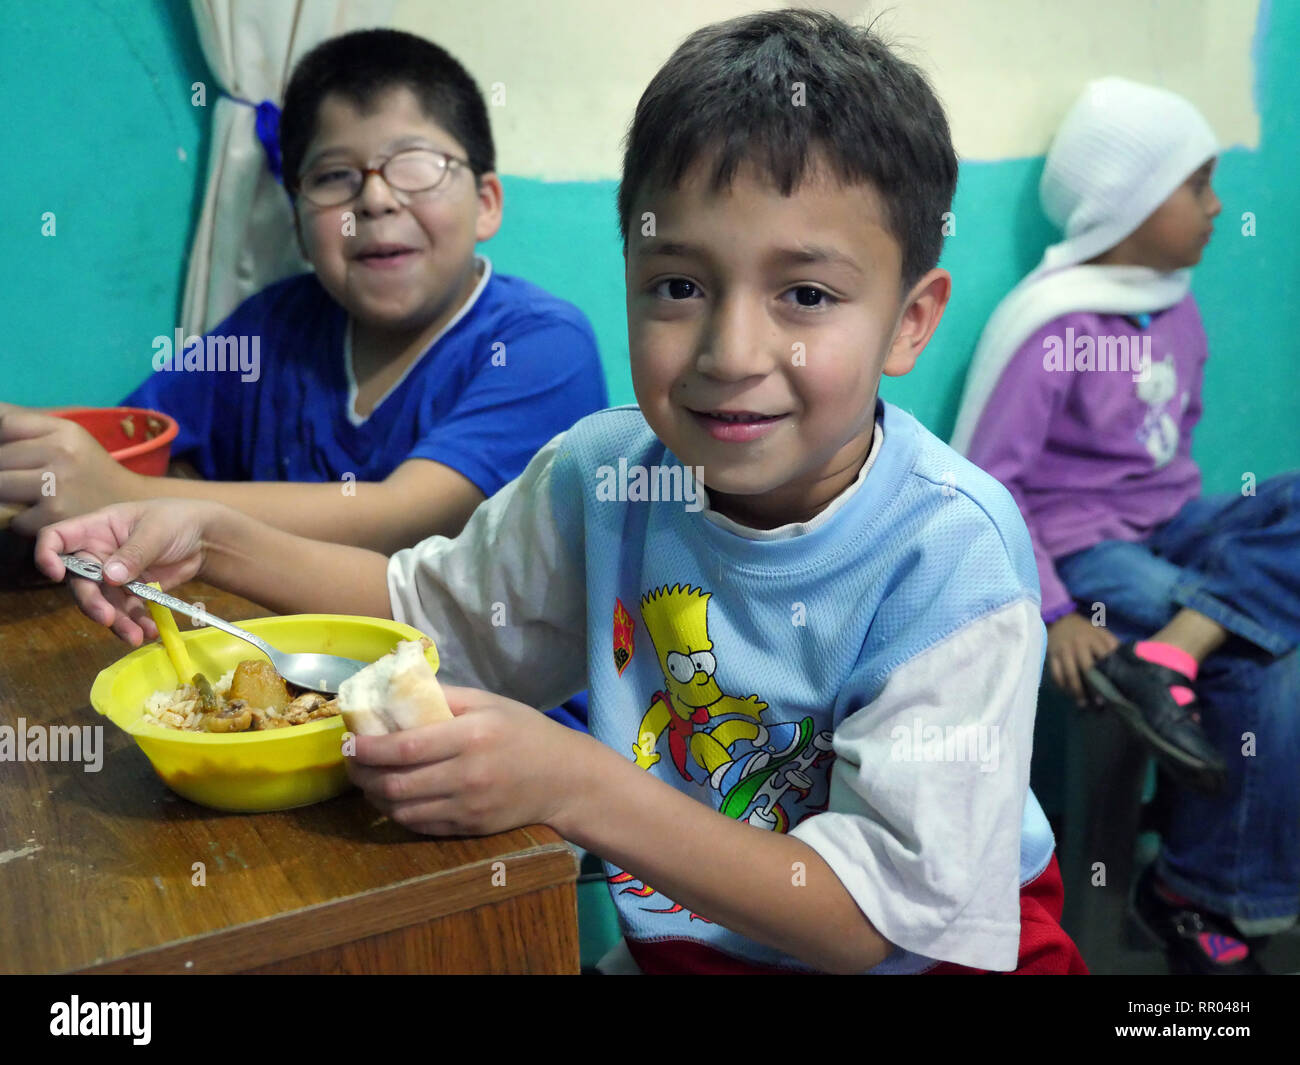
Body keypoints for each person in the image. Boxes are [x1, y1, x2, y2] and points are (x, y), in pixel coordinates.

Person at [35, 10, 1086, 975]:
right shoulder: (606, 477)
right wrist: (213, 538)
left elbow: (873, 919)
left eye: (804, 295)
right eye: (678, 286)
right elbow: (420, 614)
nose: (730, 349)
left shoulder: (946, 552)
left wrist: (572, 784)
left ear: (910, 319)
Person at [0, 29, 608, 557]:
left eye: (416, 164)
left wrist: (127, 497)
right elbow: (128, 437)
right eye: (334, 176)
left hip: (483, 688)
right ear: (297, 223)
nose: (374, 199)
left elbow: (407, 515)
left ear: (485, 203)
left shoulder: (544, 344)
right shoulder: (272, 326)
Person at [952, 77, 1300, 974]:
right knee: (1268, 656)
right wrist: (1056, 610)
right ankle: (1196, 897)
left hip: (1177, 521)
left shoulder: (1176, 302)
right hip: (1087, 549)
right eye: (1199, 186)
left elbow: (1174, 449)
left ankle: (1179, 644)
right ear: (1132, 202)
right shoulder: (1047, 323)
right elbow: (986, 484)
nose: (1219, 205)